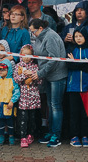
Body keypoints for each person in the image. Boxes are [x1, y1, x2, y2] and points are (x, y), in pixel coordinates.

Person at [29, 19, 67, 148]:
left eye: (33, 31)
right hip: (48, 76)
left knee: (56, 105)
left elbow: (53, 58)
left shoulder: (50, 37)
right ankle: (51, 132)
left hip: (57, 75)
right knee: (50, 105)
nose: (32, 34)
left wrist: (40, 73)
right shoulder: (41, 37)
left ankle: (56, 134)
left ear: (40, 28)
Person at [66, 28, 88, 147]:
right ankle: (74, 136)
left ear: (85, 37)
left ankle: (85, 136)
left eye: (80, 36)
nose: (78, 38)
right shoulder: (71, 49)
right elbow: (69, 66)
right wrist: (83, 63)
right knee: (74, 113)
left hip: (87, 87)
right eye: (76, 36)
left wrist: (76, 62)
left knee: (85, 113)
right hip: (73, 87)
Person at [13, 44, 42, 148]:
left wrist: (34, 76)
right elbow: (16, 80)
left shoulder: (35, 66)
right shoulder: (18, 66)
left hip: (33, 97)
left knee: (32, 118)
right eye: (24, 55)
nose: (26, 57)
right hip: (23, 98)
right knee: (23, 118)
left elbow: (40, 80)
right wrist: (24, 75)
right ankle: (23, 137)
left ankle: (31, 134)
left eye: (29, 55)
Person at [0, 62, 20, 145]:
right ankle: (1, 136)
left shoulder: (12, 81)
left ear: (8, 70)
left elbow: (16, 92)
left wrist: (12, 101)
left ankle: (11, 136)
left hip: (9, 106)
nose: (1, 71)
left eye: (3, 70)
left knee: (10, 122)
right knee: (1, 122)